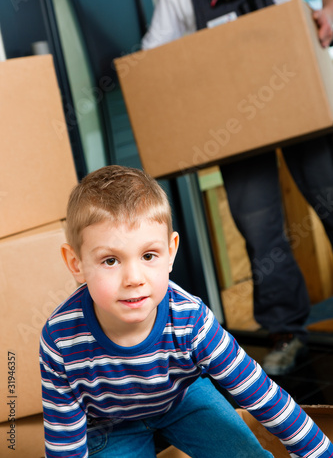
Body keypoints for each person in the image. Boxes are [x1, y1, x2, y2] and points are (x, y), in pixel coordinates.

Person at [39, 164, 333, 458]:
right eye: (110, 261)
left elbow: (260, 392)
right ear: (76, 263)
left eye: (148, 255)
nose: (134, 279)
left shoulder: (191, 320)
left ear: (171, 252)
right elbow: (63, 439)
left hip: (183, 400)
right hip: (110, 424)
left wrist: (317, 453)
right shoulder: (60, 340)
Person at [141, 0, 333, 376]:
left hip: (300, 103)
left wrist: (328, 12)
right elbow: (150, 60)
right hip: (236, 127)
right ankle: (286, 332)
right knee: (260, 231)